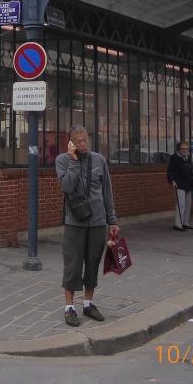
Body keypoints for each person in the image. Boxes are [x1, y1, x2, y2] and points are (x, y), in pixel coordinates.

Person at [56, 125, 119, 327]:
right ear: (71, 143)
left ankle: (88, 304)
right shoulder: (62, 160)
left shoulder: (99, 160)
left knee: (92, 263)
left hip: (98, 222)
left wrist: (112, 220)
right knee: (73, 265)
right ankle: (69, 308)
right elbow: (67, 186)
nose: (82, 144)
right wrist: (74, 161)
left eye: (85, 140)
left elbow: (107, 192)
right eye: (78, 141)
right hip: (75, 222)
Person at [166, 140, 193, 231]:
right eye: (182, 149)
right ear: (178, 149)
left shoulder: (188, 157)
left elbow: (191, 170)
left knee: (188, 204)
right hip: (179, 184)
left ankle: (185, 223)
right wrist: (172, 180)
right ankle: (178, 224)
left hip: (188, 184)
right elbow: (170, 170)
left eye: (186, 149)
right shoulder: (174, 158)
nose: (184, 150)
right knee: (180, 204)